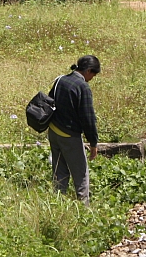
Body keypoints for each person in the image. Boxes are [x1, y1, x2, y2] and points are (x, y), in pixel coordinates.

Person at [47, 55, 100, 203]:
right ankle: (84, 209)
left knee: (59, 172)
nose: (92, 78)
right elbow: (88, 118)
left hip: (53, 131)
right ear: (88, 71)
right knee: (81, 174)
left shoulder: (61, 80)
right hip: (69, 136)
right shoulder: (82, 87)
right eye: (93, 75)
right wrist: (93, 143)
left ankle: (58, 204)